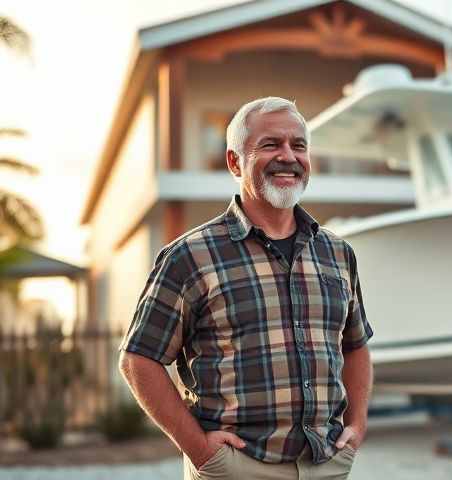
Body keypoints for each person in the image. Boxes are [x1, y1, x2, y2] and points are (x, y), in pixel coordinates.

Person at [118, 97, 373, 480]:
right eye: (271, 144)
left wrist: (357, 426)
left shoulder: (338, 253)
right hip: (237, 468)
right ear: (235, 162)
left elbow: (355, 345)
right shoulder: (190, 256)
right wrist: (202, 451)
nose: (288, 156)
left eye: (298, 145)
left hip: (327, 465)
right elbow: (138, 360)